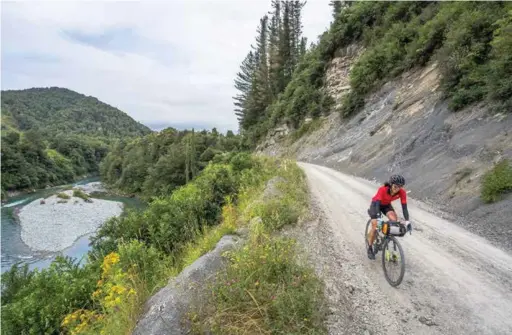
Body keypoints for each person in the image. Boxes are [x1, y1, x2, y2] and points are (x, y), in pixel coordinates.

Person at [367, 174, 411, 260]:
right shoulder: (382, 189)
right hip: (376, 204)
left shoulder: (402, 192)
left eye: (400, 187)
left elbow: (404, 207)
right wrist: (378, 217)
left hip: (386, 205)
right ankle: (370, 247)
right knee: (375, 224)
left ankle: (384, 239)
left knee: (394, 221)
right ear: (391, 184)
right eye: (395, 186)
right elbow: (378, 204)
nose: (397, 189)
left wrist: (407, 221)